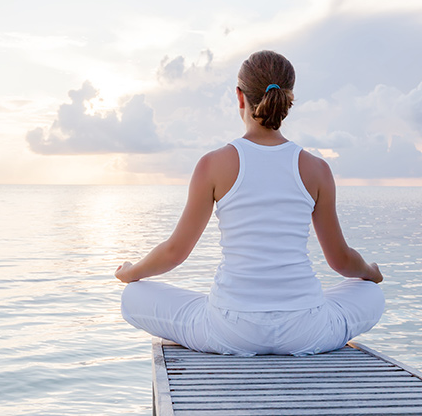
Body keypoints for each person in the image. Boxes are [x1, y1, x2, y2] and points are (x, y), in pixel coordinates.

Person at [115, 50, 384, 356]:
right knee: (370, 293)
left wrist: (131, 272)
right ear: (289, 99)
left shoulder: (213, 164)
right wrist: (370, 272)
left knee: (133, 296)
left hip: (229, 329)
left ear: (240, 97)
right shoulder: (317, 169)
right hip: (306, 328)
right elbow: (341, 261)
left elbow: (175, 252)